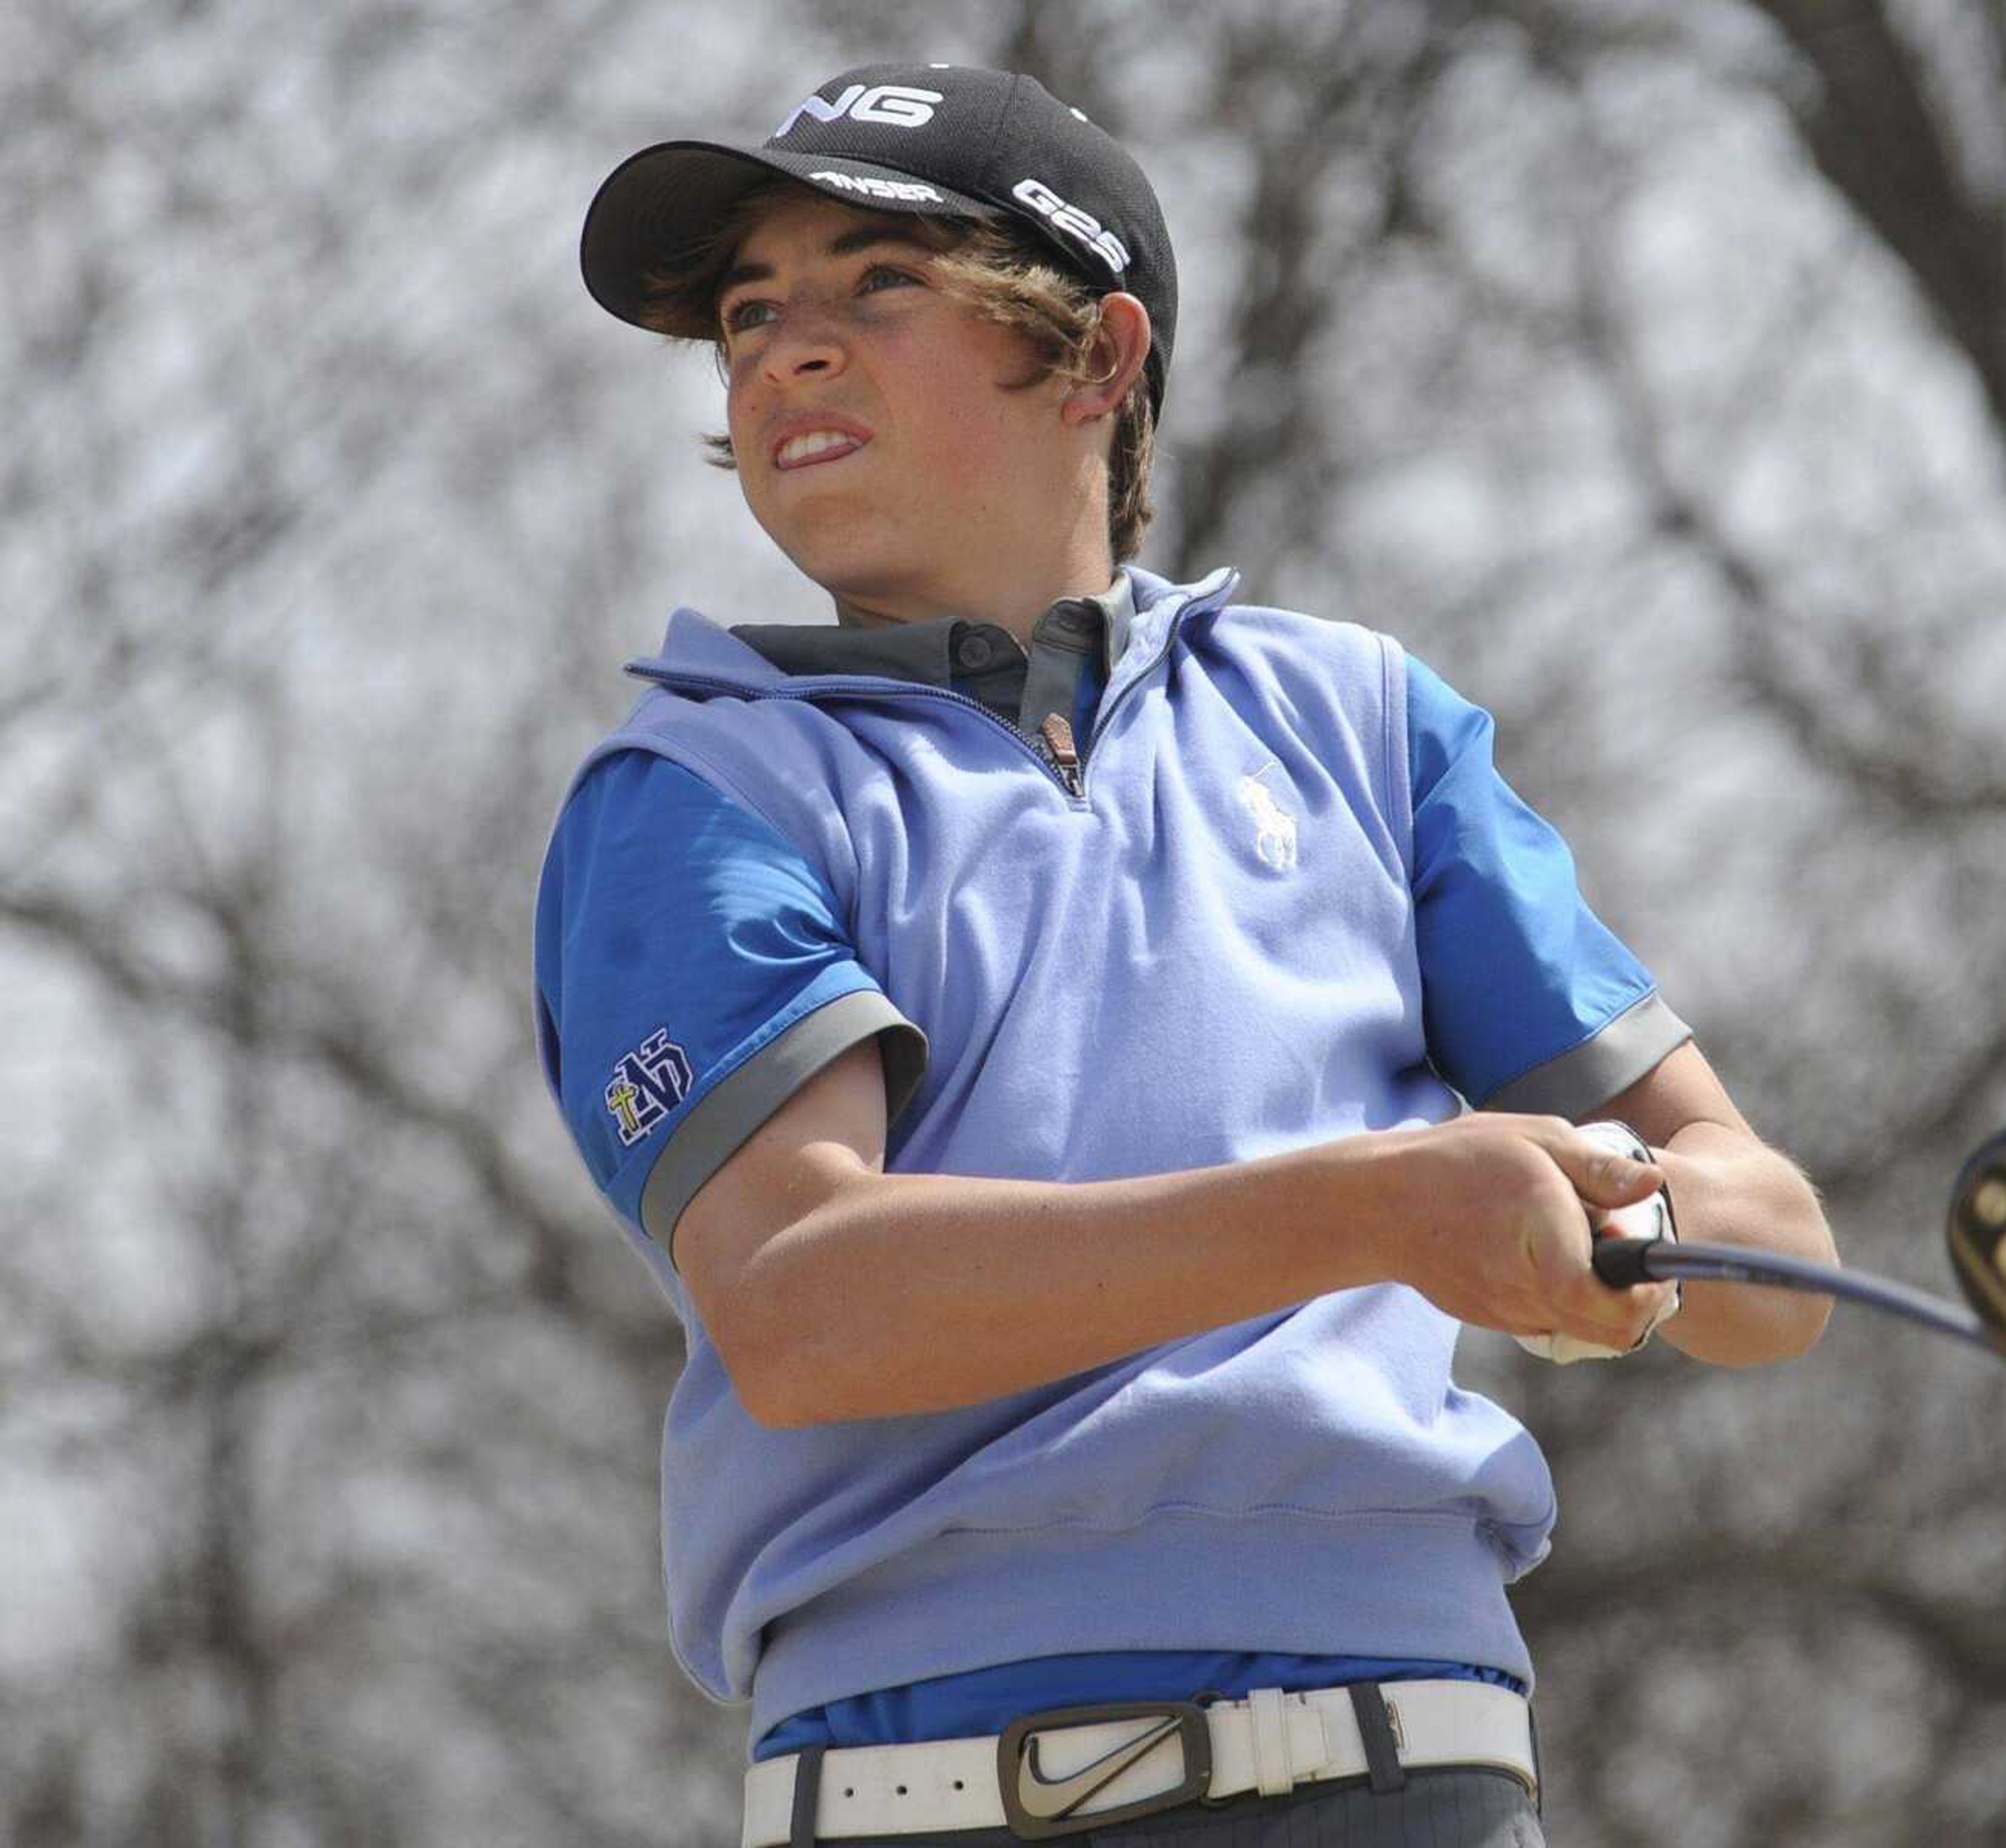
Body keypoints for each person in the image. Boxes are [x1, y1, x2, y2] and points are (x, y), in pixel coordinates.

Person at [534, 60, 1837, 1848]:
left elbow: (1773, 1250)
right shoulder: (701, 786)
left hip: (1423, 1771)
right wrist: (1380, 1208)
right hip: (939, 1796)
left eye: (877, 285)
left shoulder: (1365, 724)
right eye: (752, 314)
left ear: (1096, 356)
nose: (785, 353)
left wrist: (1649, 1229)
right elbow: (806, 1306)